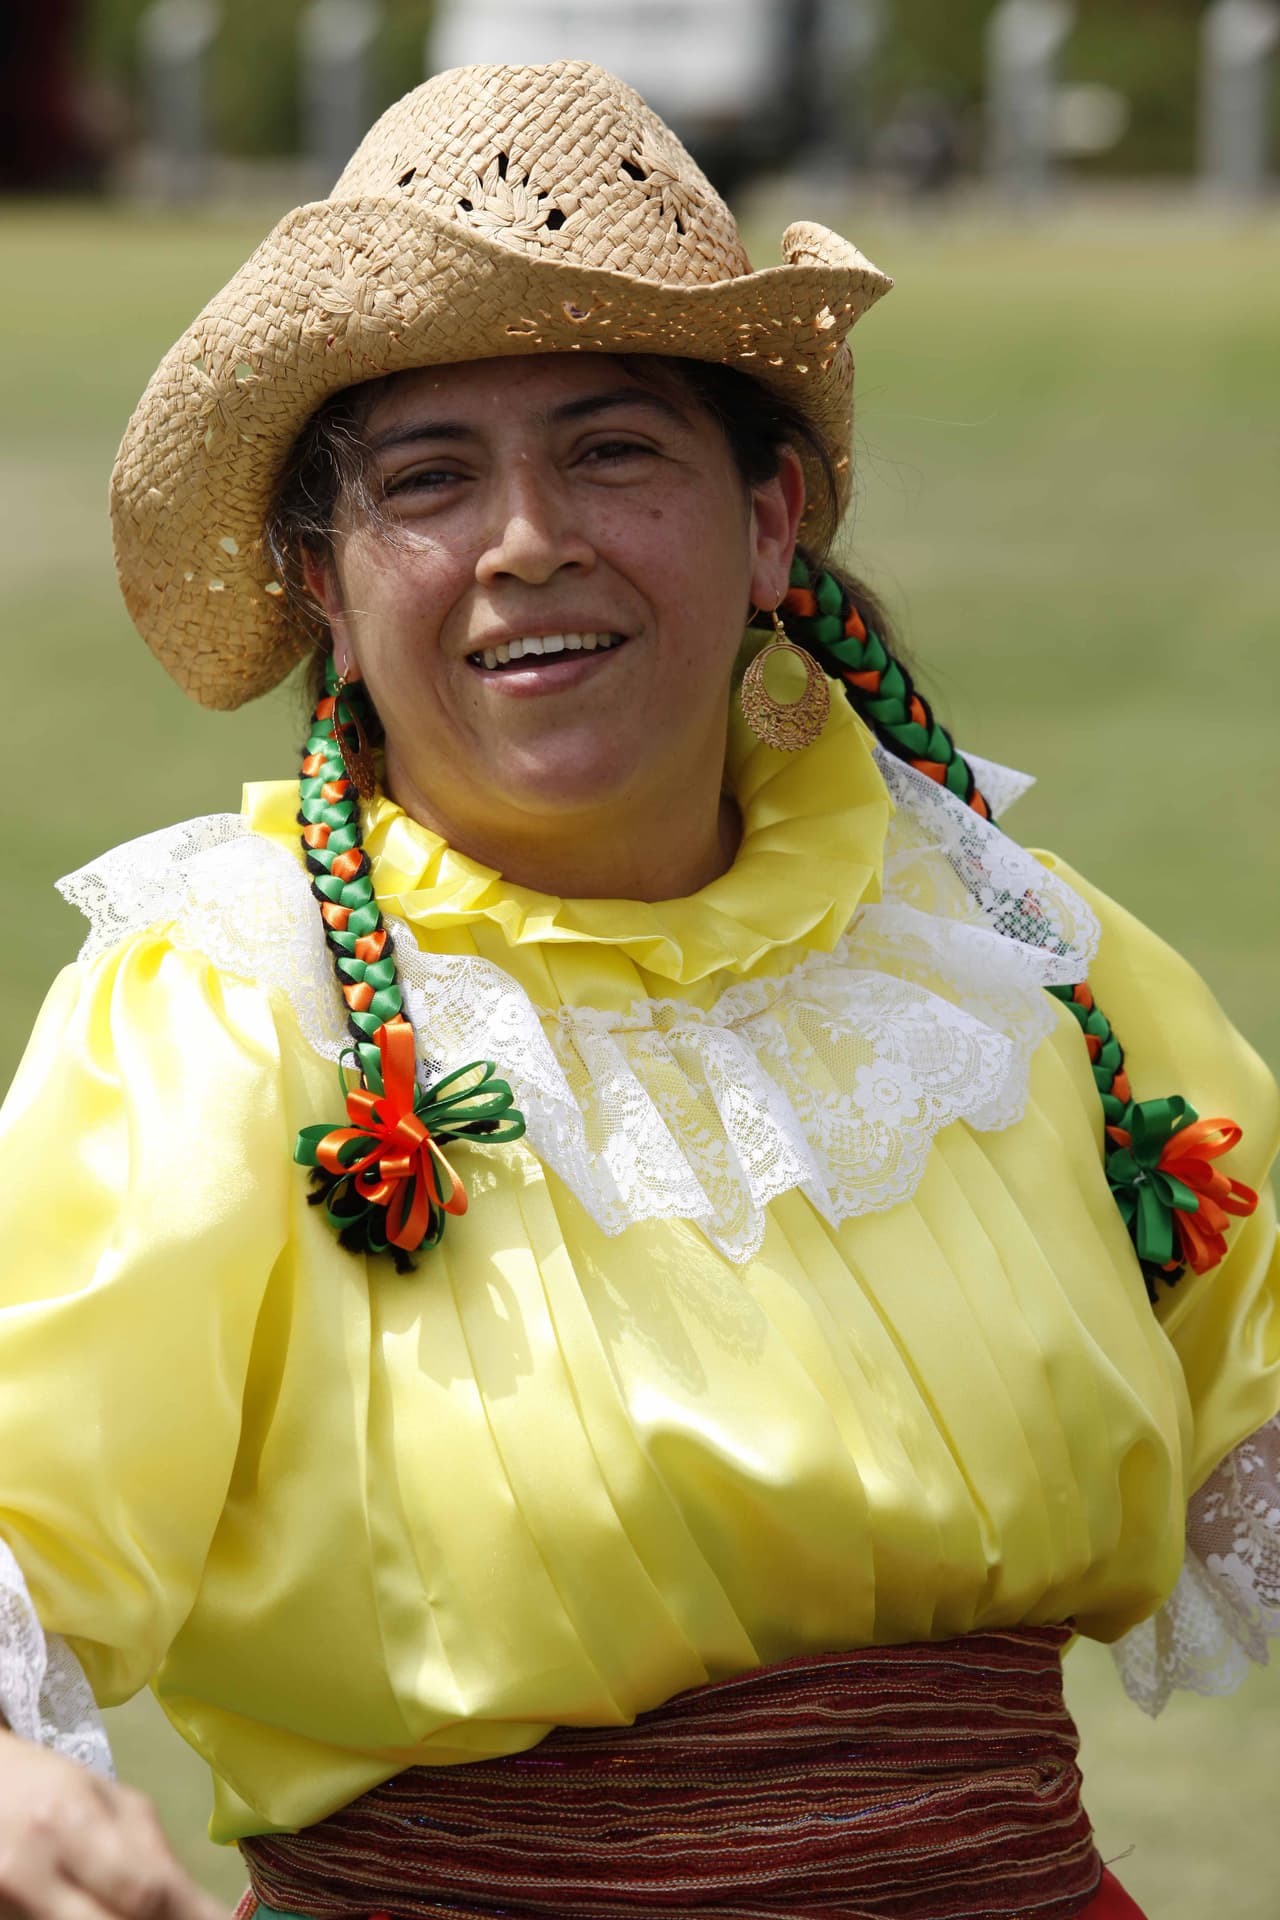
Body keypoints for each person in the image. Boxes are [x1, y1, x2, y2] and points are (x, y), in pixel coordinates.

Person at [0, 57, 1276, 1920]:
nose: (531, 539)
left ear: (772, 524)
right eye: (431, 480)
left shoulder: (1002, 950)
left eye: (613, 450)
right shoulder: (226, 1007)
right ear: (326, 590)